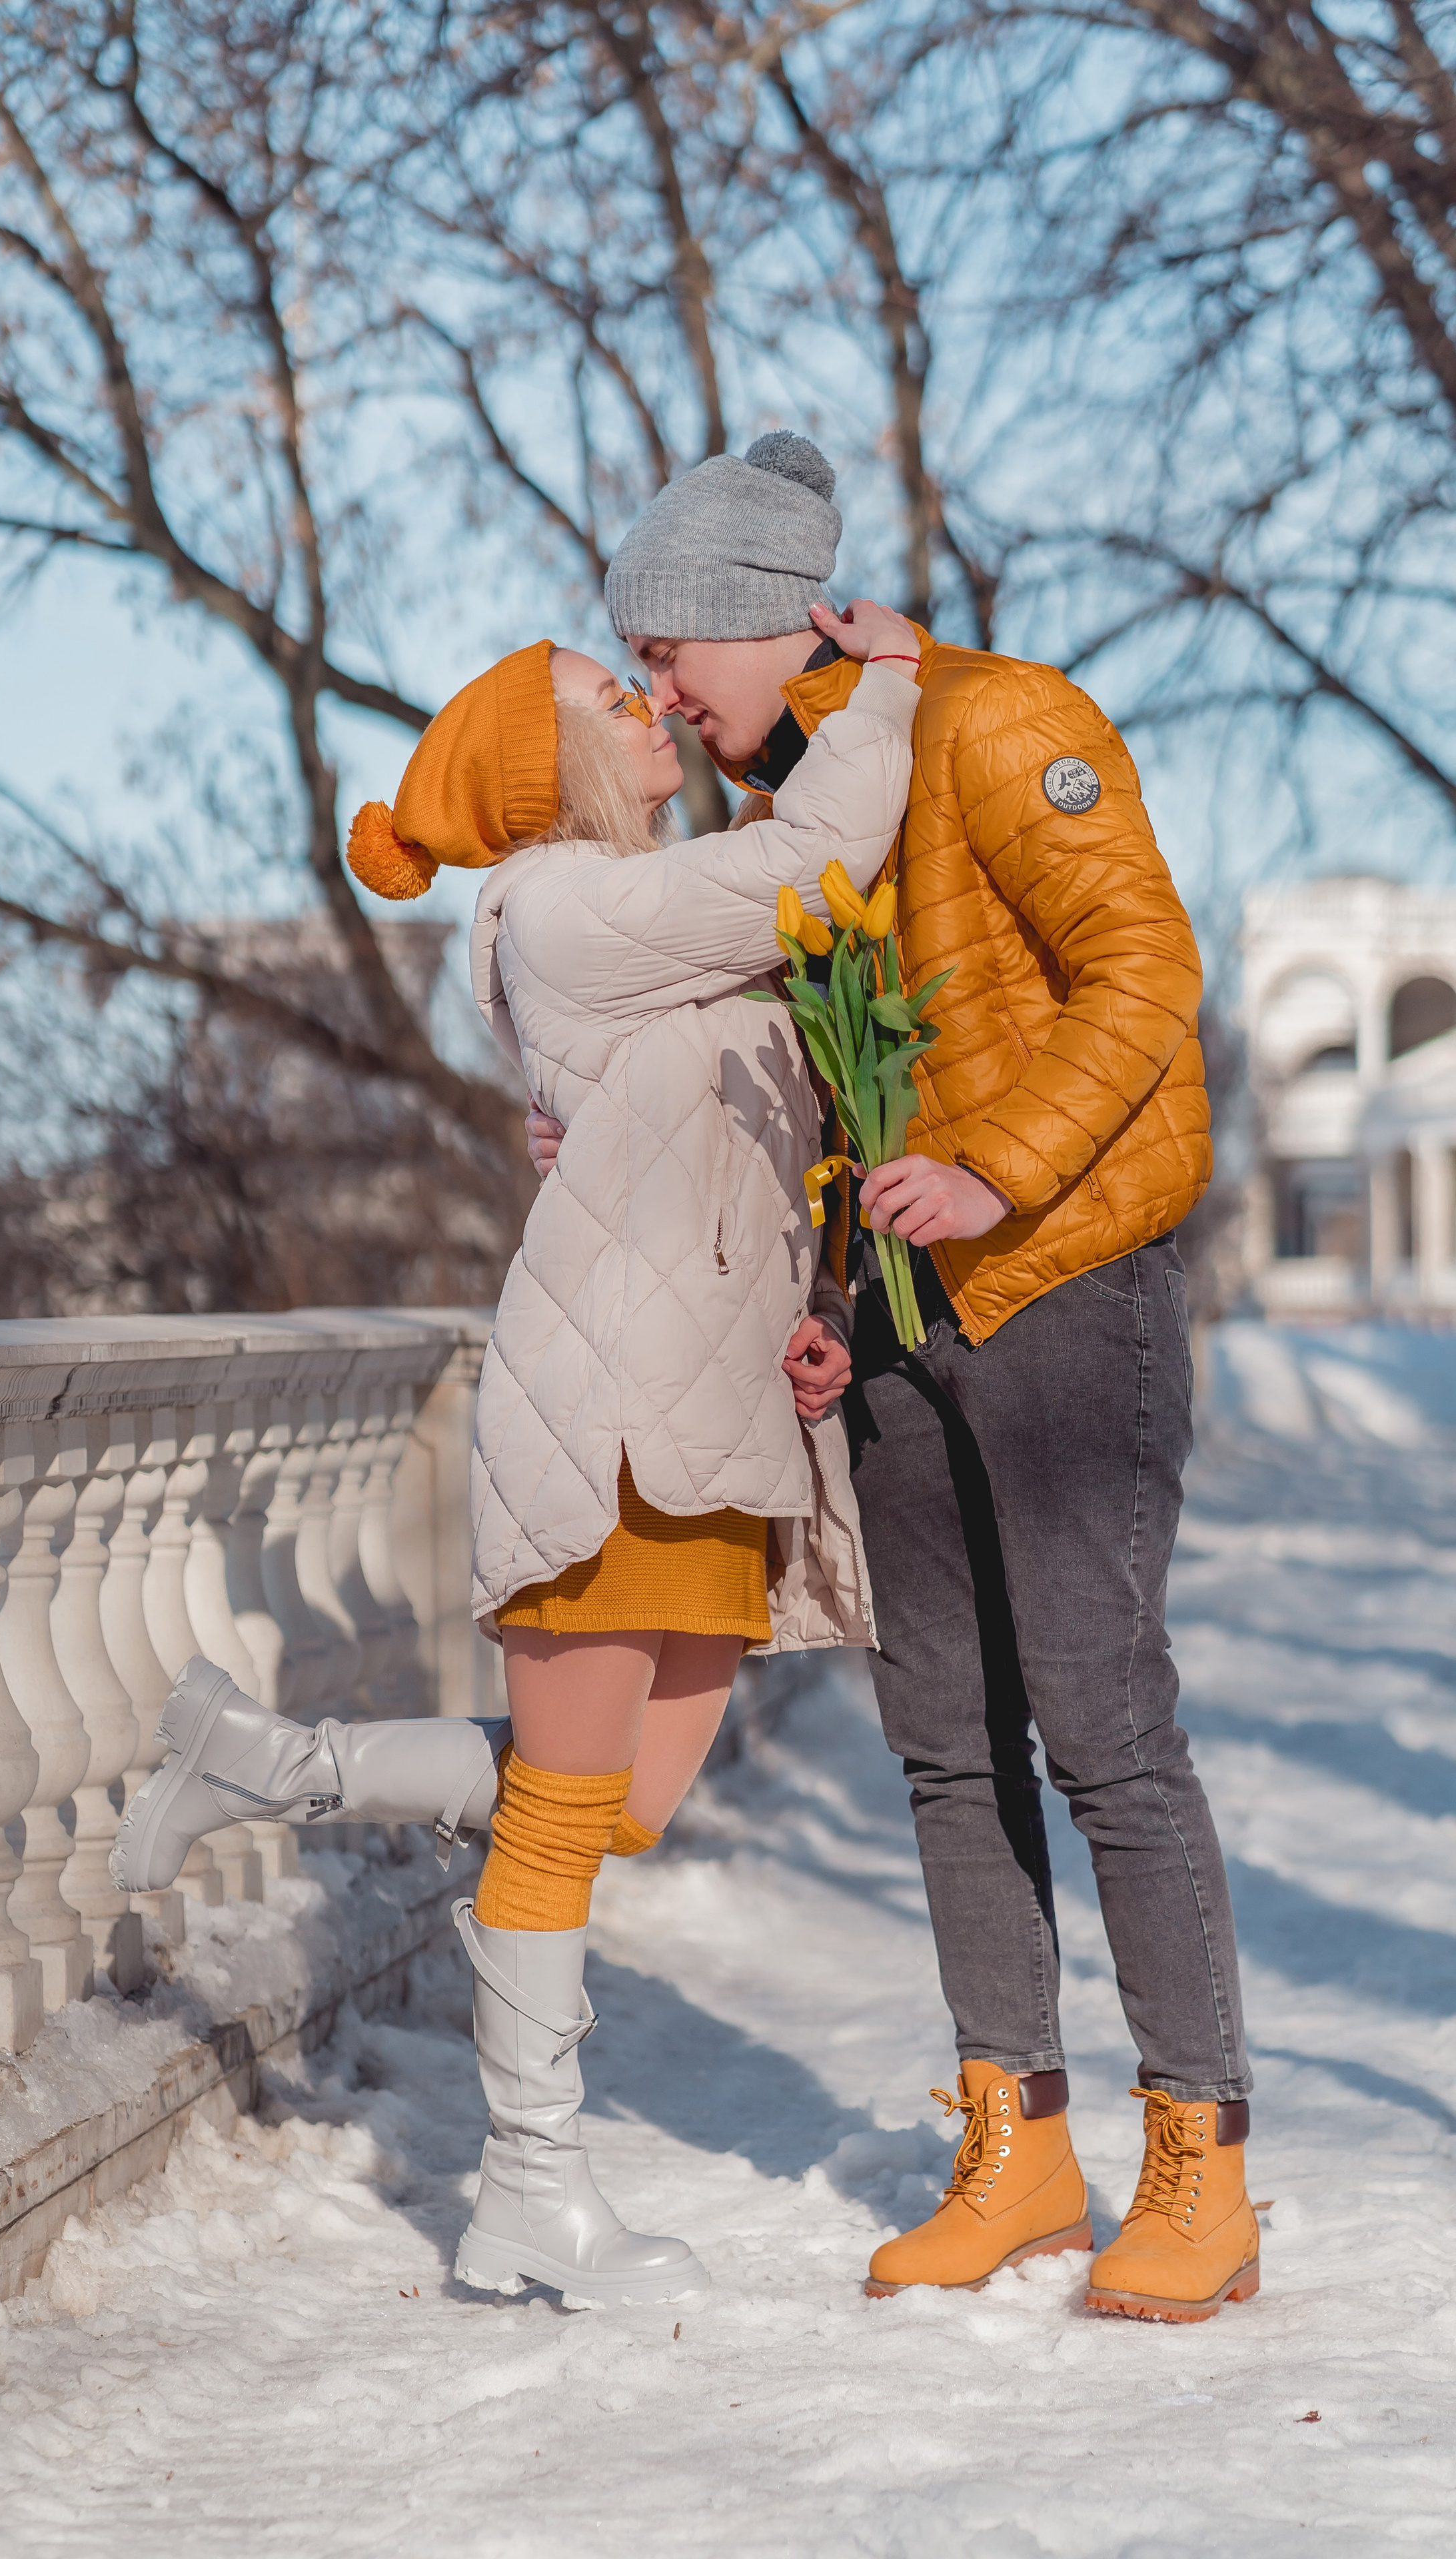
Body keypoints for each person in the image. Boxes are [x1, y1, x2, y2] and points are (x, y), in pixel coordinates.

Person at [114, 589, 922, 2308]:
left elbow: (746, 1115)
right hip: (610, 1404)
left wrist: (817, 1285)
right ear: (549, 765)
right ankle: (531, 2193)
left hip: (710, 1413)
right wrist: (890, 687)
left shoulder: (638, 914)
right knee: (561, 1814)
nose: (651, 707)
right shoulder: (562, 903)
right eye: (611, 697)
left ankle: (275, 1764)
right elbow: (821, 861)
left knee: (626, 1801)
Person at [529, 428, 1255, 2325]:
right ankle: (1020, 2148)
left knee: (1105, 1726)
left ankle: (1203, 2159)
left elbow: (1144, 974)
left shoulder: (1000, 720)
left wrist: (997, 1170)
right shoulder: (798, 826)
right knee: (945, 1744)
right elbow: (831, 1097)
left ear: (765, 621)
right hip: (905, 1334)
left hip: (1067, 1292)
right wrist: (833, 1288)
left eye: (670, 650)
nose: (660, 693)